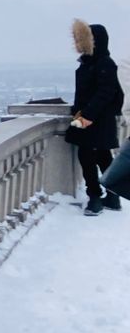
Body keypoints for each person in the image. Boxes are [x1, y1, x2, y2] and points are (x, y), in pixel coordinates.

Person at [68, 20, 125, 215]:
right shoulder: (92, 62)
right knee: (101, 155)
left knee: (88, 155)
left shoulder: (103, 63)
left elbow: (105, 93)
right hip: (94, 117)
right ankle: (112, 196)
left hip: (95, 119)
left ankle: (94, 197)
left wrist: (87, 115)